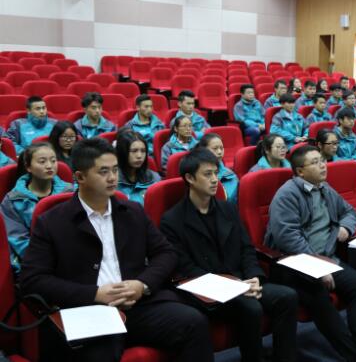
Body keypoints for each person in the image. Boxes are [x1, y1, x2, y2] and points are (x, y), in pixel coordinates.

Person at [20, 138, 214, 362]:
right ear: (80, 177)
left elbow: (166, 253)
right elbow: (32, 279)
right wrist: (94, 294)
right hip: (89, 310)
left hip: (137, 304)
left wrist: (141, 285)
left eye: (114, 170)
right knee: (98, 355)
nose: (113, 177)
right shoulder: (52, 222)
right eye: (103, 172)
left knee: (194, 322)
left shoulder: (132, 211)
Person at [160, 148, 298, 362]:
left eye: (216, 173)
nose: (215, 179)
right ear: (190, 178)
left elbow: (246, 247)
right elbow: (185, 267)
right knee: (251, 308)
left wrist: (254, 277)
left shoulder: (228, 209)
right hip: (209, 290)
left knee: (287, 296)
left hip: (242, 281)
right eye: (207, 174)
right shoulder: (172, 220)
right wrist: (234, 286)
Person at [266, 145, 356, 361]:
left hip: (326, 259)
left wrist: (345, 227)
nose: (323, 165)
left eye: (322, 160)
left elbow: (350, 211)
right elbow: (288, 238)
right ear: (300, 171)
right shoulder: (287, 195)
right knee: (319, 297)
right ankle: (355, 357)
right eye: (315, 162)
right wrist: (317, 267)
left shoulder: (324, 188)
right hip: (294, 264)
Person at [1, 142, 73, 272]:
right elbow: (19, 241)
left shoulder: (71, 192)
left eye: (53, 160)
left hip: (72, 258)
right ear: (28, 167)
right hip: (35, 263)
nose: (49, 166)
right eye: (42, 161)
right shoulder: (13, 200)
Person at [116, 130, 161, 206]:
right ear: (122, 152)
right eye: (134, 151)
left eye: (143, 151)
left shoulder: (155, 178)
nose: (139, 156)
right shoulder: (112, 182)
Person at [196, 133, 239, 204]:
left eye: (221, 148)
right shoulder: (198, 176)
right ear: (203, 150)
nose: (219, 152)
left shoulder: (230, 174)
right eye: (215, 149)